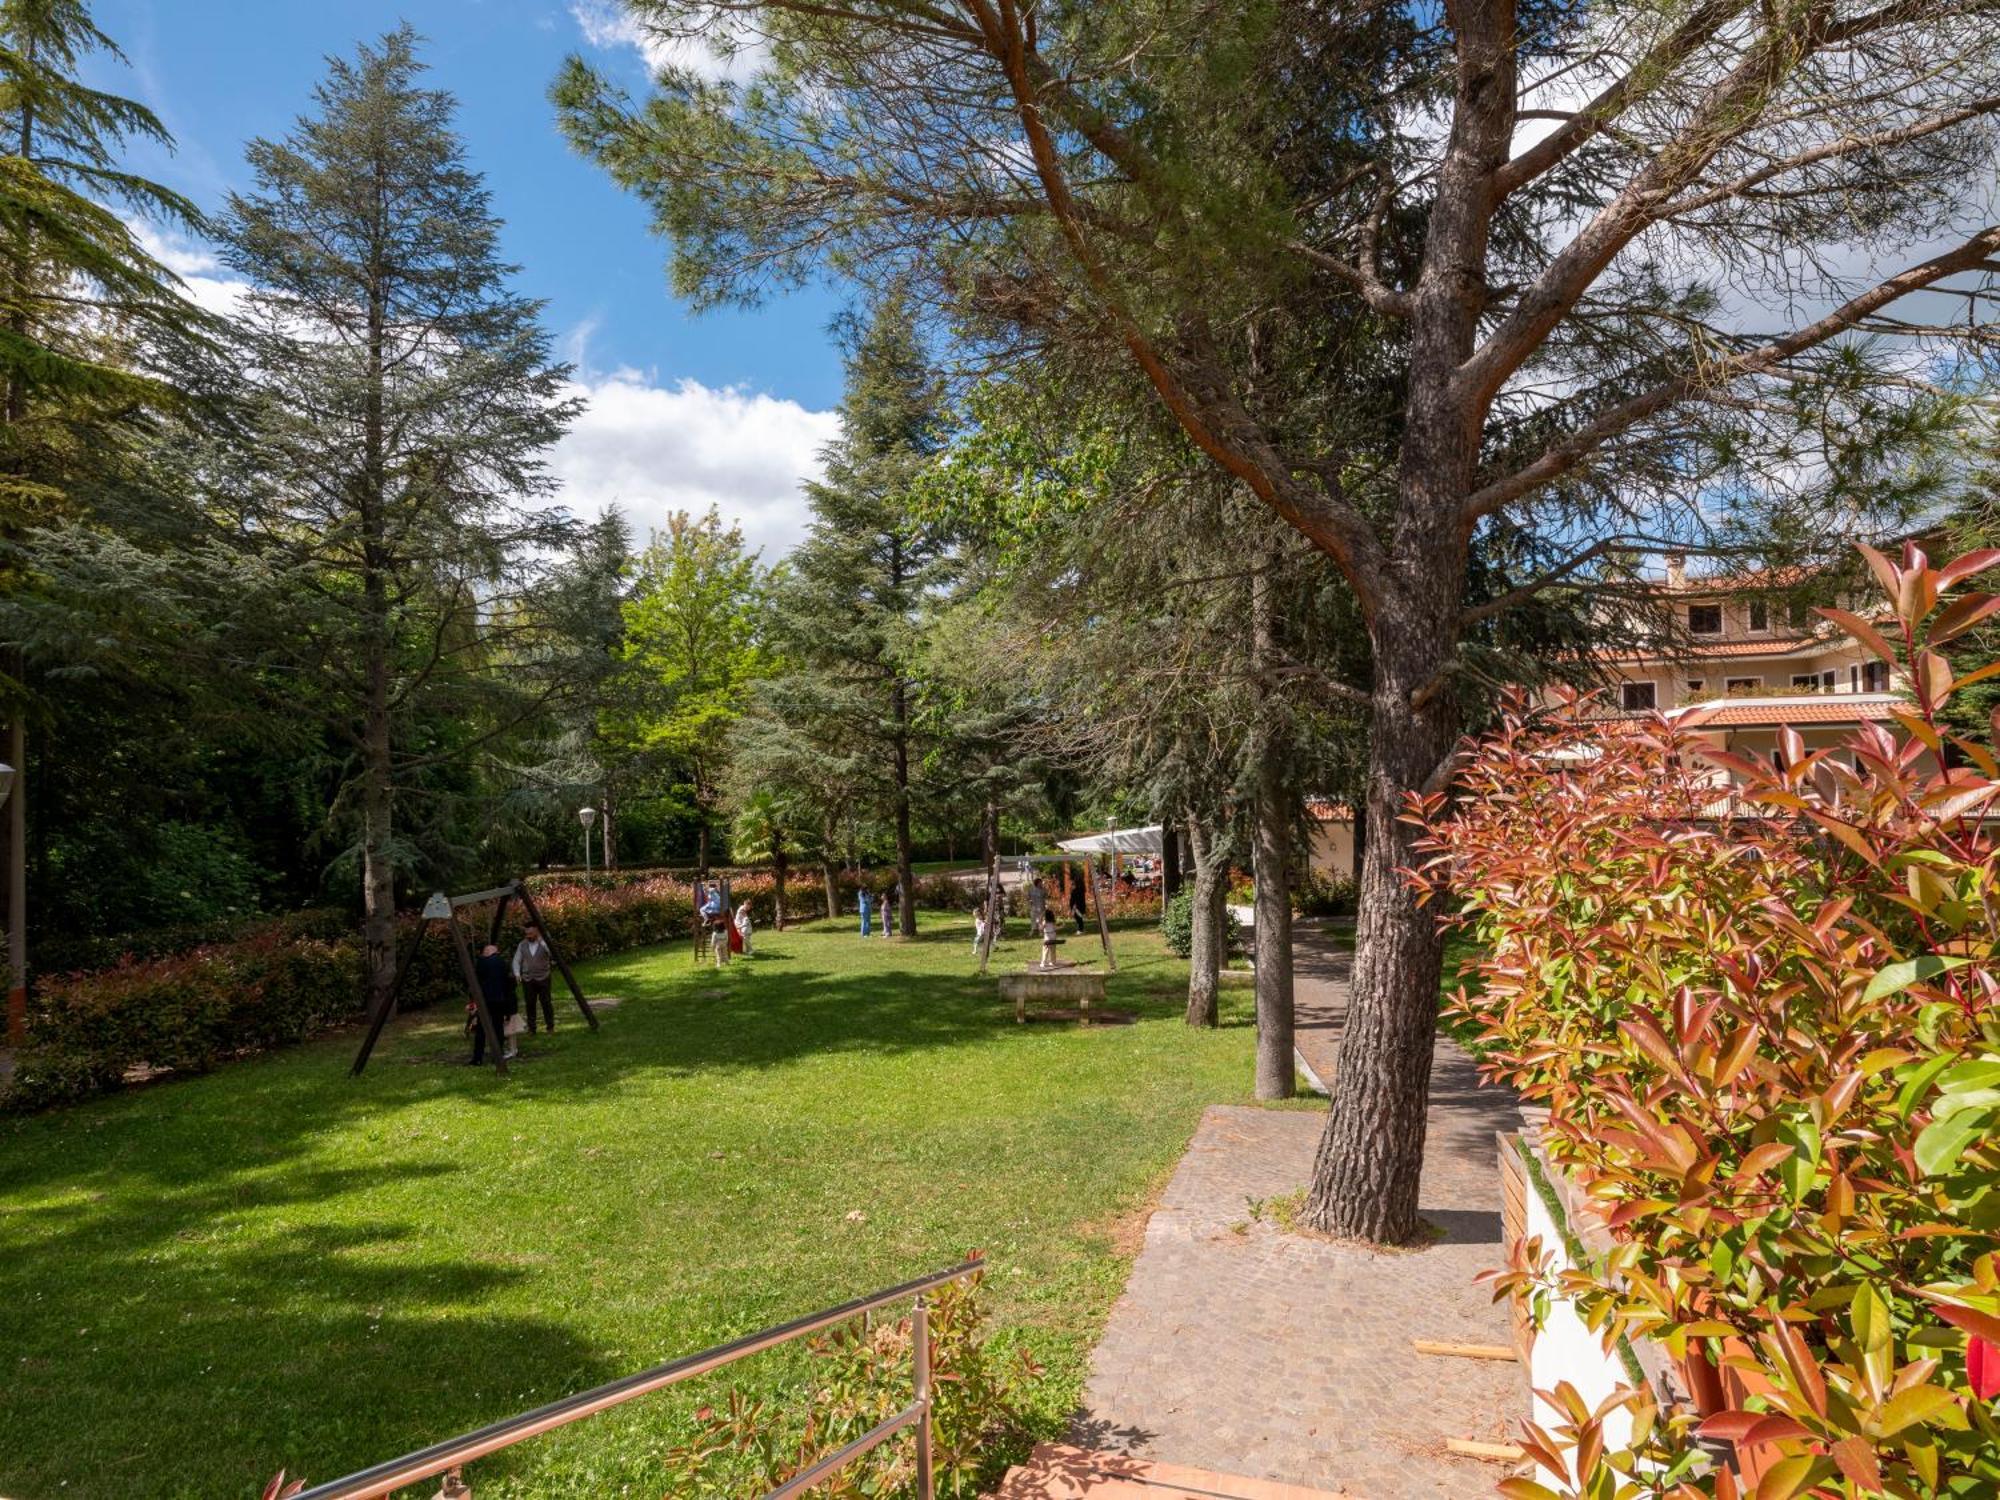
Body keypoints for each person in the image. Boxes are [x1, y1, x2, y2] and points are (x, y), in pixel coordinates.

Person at [471, 941, 520, 1063]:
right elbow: (509, 982)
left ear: (486, 952)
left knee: (482, 1029)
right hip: (500, 999)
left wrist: (473, 999)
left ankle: (478, 1057)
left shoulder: (481, 962)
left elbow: (476, 980)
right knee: (498, 1027)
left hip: (485, 1000)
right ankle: (497, 1055)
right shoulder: (502, 963)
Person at [513, 923, 555, 1033]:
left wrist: (542, 941)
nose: (528, 936)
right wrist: (517, 974)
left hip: (544, 977)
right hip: (528, 979)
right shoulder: (522, 945)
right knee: (530, 1004)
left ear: (537, 932)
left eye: (531, 933)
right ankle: (532, 1028)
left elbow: (552, 954)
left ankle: (550, 1027)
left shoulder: (544, 943)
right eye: (526, 934)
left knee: (546, 1003)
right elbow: (516, 960)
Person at [701, 884, 729, 967]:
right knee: (725, 952)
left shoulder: (712, 890)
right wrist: (704, 889)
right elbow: (727, 937)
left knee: (718, 953)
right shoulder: (725, 931)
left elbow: (713, 940)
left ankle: (719, 963)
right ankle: (727, 962)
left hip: (715, 907)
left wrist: (712, 946)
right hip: (724, 943)